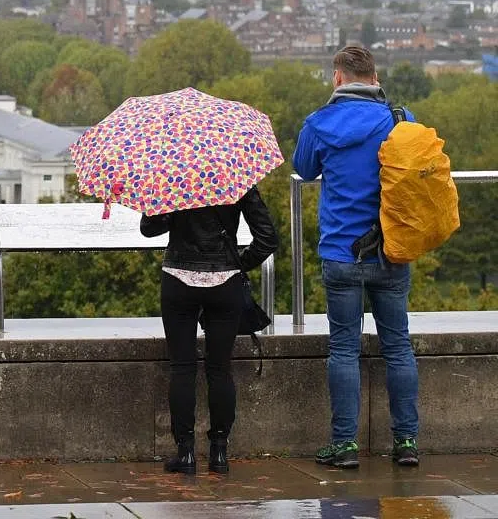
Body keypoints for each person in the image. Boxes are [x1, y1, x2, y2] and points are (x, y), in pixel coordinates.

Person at [294, 44, 420, 470]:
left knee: (344, 348)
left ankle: (345, 445)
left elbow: (304, 168)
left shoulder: (319, 123)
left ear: (337, 78)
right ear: (374, 77)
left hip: (340, 252)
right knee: (398, 346)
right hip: (392, 249)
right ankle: (406, 442)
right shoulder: (399, 120)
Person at [141, 186, 277, 475]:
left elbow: (148, 229)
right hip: (225, 283)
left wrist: (170, 207)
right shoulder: (236, 178)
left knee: (182, 368)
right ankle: (219, 453)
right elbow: (267, 239)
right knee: (220, 369)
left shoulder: (172, 177)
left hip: (178, 278)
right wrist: (238, 264)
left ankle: (186, 453)